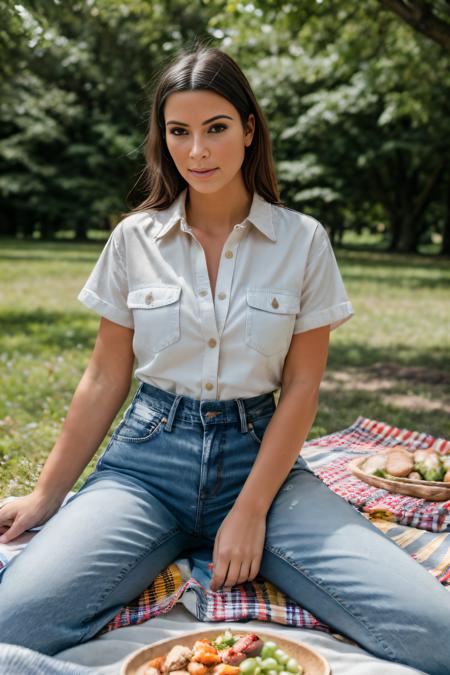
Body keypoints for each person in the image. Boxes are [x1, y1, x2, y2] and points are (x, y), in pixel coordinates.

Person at [0, 44, 448, 674]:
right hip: (146, 467)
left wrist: (250, 510)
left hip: (260, 461)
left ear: (248, 129)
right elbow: (105, 376)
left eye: (215, 128)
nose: (198, 152)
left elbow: (301, 387)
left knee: (437, 634)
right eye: (178, 132)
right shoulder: (134, 238)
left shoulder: (303, 240)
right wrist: (46, 497)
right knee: (12, 621)